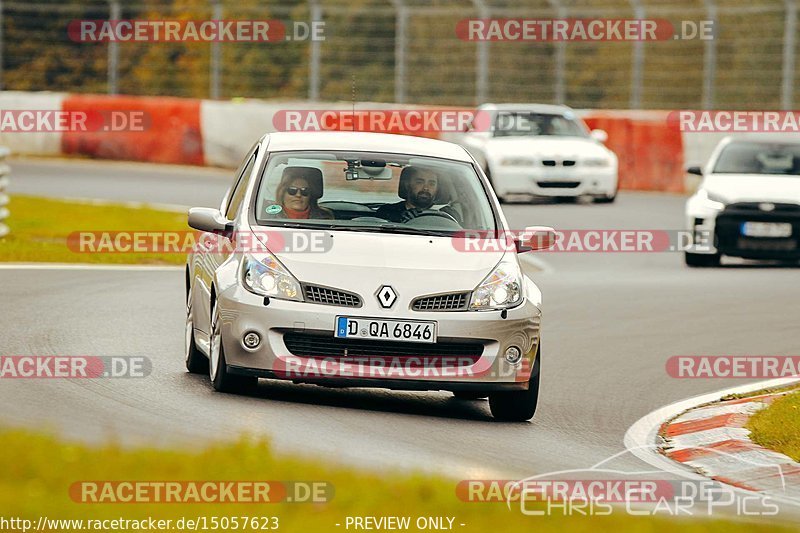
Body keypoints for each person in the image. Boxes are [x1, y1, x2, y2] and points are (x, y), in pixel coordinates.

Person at [376, 166, 442, 223]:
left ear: (437, 188)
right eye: (419, 182)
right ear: (407, 185)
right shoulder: (388, 211)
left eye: (432, 184)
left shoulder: (443, 215)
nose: (426, 188)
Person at [267, 166, 333, 220]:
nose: (298, 195)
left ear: (310, 195)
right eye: (292, 190)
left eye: (304, 191)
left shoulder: (325, 218)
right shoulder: (267, 216)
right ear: (282, 193)